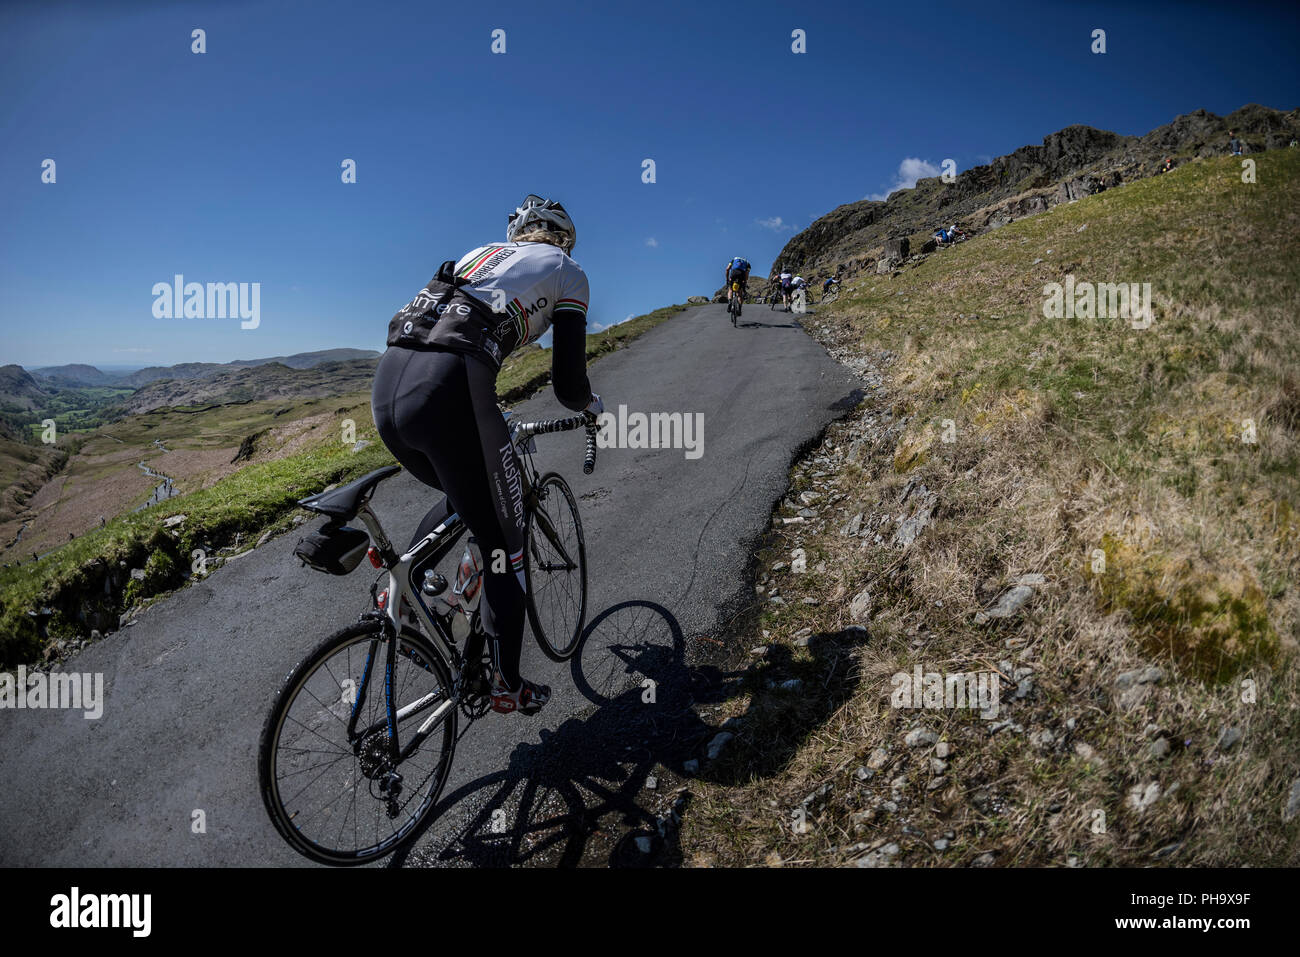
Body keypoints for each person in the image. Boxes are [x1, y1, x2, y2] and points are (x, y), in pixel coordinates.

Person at [372, 194, 602, 716]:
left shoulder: (479, 254)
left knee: (469, 495)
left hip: (389, 388)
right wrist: (591, 406)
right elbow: (567, 384)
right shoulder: (569, 272)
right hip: (452, 388)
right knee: (505, 545)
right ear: (564, 238)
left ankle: (401, 593)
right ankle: (508, 684)